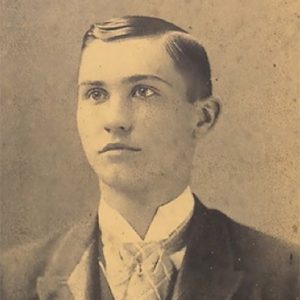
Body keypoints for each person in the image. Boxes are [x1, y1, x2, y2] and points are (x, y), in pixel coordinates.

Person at [1, 15, 299, 300]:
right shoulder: (12, 279)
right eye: (95, 94)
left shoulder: (284, 274)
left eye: (144, 92)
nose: (115, 120)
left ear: (202, 118)